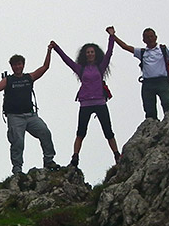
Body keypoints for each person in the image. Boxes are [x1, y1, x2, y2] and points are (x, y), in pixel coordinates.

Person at [0, 44, 59, 174]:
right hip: (14, 116)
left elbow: (45, 67)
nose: (17, 67)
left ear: (23, 65)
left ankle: (49, 160)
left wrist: (49, 51)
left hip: (30, 115)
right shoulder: (8, 80)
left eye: (19, 64)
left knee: (45, 132)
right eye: (15, 65)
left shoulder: (28, 77)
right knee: (17, 142)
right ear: (12, 67)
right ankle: (17, 168)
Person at [51, 33, 121, 167]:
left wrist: (111, 36)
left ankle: (117, 155)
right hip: (85, 103)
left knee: (108, 131)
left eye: (92, 52)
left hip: (100, 102)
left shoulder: (100, 67)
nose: (90, 54)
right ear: (85, 54)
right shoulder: (80, 69)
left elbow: (109, 53)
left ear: (95, 54)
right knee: (81, 131)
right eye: (88, 52)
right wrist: (57, 48)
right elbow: (67, 61)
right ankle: (75, 158)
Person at [109, 26, 169, 120]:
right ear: (144, 40)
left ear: (156, 37)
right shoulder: (142, 52)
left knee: (166, 103)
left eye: (151, 36)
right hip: (148, 83)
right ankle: (152, 127)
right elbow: (125, 47)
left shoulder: (163, 49)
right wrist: (113, 35)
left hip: (162, 81)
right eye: (147, 37)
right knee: (149, 108)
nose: (150, 39)